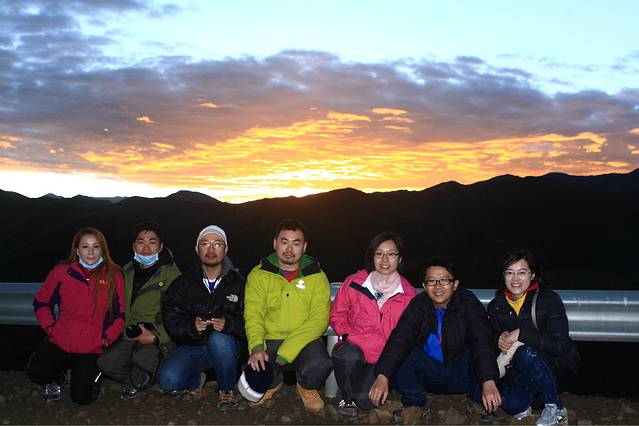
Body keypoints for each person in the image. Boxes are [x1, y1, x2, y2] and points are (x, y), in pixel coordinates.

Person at [368, 256, 501, 423]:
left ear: (455, 284)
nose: (438, 286)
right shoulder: (418, 305)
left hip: (461, 374)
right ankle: (415, 403)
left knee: (477, 351)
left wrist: (488, 380)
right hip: (431, 375)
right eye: (431, 281)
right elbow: (400, 338)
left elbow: (481, 340)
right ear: (424, 286)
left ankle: (477, 401)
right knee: (405, 352)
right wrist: (382, 376)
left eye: (444, 280)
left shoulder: (468, 303)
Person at [243, 219, 333, 413]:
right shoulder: (259, 275)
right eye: (284, 242)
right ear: (275, 243)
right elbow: (253, 314)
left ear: (304, 247)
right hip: (270, 338)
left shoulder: (317, 276)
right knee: (253, 369)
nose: (289, 249)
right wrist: (257, 347)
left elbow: (319, 320)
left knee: (321, 363)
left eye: (296, 243)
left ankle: (306, 386)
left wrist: (287, 351)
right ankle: (272, 383)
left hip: (305, 340)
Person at [27, 227, 125, 405]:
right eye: (85, 246)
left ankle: (95, 375)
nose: (90, 252)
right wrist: (51, 328)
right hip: (61, 340)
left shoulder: (114, 276)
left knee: (81, 397)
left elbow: (120, 314)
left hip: (92, 346)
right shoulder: (62, 272)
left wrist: (105, 339)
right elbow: (41, 302)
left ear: (103, 250)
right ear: (77, 250)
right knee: (36, 372)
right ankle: (58, 378)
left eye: (96, 246)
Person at [487, 250, 580, 426]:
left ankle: (556, 409)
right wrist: (499, 339)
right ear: (503, 276)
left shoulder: (549, 300)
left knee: (525, 353)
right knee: (509, 404)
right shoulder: (497, 306)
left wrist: (521, 334)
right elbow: (491, 342)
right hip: (520, 369)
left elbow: (560, 345)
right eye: (509, 272)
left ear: (533, 275)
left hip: (555, 364)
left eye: (522, 272)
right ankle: (533, 405)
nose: (515, 279)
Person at [158, 225, 245, 411]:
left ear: (226, 249)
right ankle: (196, 381)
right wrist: (191, 326)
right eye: (205, 244)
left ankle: (226, 389)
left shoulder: (239, 284)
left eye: (217, 244)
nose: (211, 249)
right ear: (197, 249)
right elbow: (170, 315)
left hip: (228, 348)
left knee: (220, 339)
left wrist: (229, 325)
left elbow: (252, 320)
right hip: (195, 345)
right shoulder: (183, 283)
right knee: (168, 380)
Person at [330, 232, 417, 417]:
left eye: (391, 254)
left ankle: (364, 389)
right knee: (347, 355)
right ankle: (346, 397)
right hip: (355, 348)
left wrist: (388, 367)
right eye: (379, 254)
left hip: (383, 358)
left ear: (400, 258)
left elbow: (407, 335)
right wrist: (347, 335)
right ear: (372, 257)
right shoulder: (354, 283)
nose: (384, 260)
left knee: (366, 400)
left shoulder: (408, 295)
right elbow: (338, 314)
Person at [97, 221, 181, 400]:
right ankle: (138, 379)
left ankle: (147, 375)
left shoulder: (172, 276)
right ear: (134, 246)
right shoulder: (125, 272)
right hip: (131, 335)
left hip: (159, 337)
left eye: (152, 242)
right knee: (105, 362)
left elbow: (178, 315)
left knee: (142, 358)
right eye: (141, 242)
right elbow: (117, 308)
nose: (146, 248)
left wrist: (157, 336)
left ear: (160, 247)